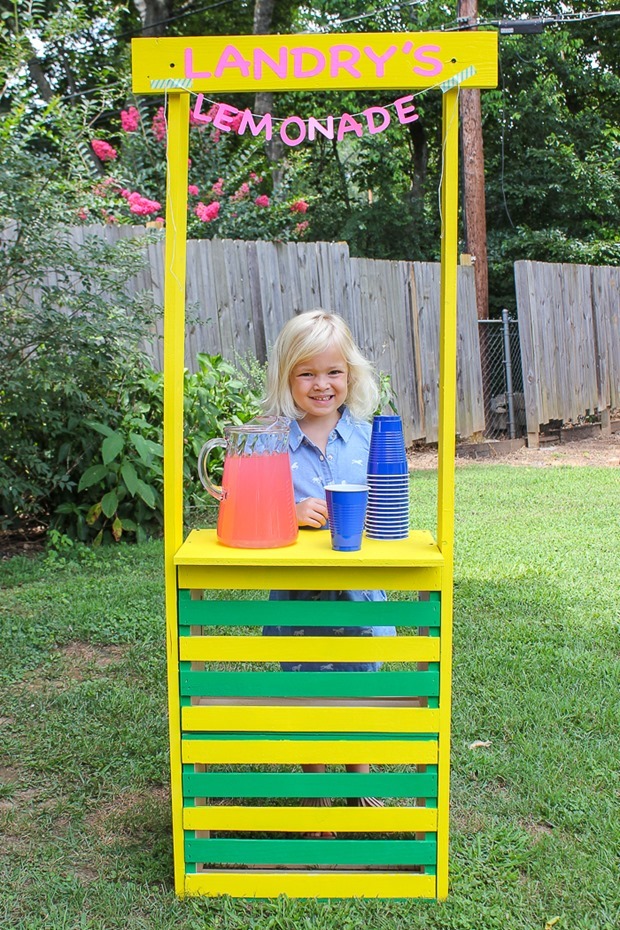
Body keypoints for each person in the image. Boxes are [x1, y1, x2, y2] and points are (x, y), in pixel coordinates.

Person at [262, 309, 396, 830]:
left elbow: (391, 507)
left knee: (359, 690)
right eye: (307, 373)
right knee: (305, 694)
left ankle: (359, 783)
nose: (322, 384)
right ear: (287, 378)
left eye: (333, 372)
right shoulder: (271, 441)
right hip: (300, 604)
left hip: (357, 596)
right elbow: (251, 513)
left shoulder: (368, 438)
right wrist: (288, 515)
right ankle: (317, 788)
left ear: (351, 375)